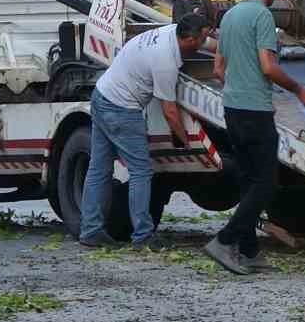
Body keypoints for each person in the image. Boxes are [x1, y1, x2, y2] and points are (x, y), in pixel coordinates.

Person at [206, 0, 305, 275]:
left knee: (249, 180)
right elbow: (268, 66)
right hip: (255, 109)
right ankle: (225, 240)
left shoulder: (230, 16)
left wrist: (238, 89)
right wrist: (299, 90)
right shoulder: (262, 16)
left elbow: (218, 69)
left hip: (232, 108)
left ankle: (249, 250)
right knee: (266, 183)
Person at [80, 13, 212, 249]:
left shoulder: (172, 31)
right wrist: (186, 143)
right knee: (141, 171)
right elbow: (170, 111)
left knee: (98, 168)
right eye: (203, 38)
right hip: (121, 109)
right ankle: (142, 236)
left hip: (102, 95)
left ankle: (90, 230)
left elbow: (207, 41)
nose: (205, 42)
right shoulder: (165, 62)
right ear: (190, 40)